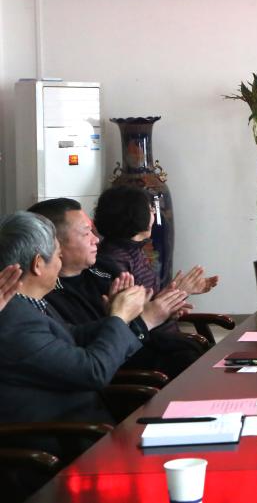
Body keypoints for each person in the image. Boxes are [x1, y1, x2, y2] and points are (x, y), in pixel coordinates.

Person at [0, 212, 146, 451]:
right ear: (38, 264)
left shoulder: (27, 304)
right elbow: (93, 371)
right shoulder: (13, 320)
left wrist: (119, 317)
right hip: (65, 443)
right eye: (58, 256)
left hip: (85, 427)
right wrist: (119, 318)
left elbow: (73, 335)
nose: (60, 264)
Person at [28, 197, 202, 378]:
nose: (96, 240)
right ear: (54, 244)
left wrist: (162, 309)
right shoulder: (45, 296)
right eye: (86, 233)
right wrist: (139, 319)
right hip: (130, 377)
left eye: (93, 231)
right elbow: (90, 357)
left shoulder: (105, 270)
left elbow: (136, 323)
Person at [94, 185, 217, 295]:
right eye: (150, 210)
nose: (154, 213)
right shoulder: (114, 261)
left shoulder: (133, 249)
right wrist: (179, 292)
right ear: (137, 216)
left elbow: (150, 300)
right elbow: (134, 311)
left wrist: (176, 291)